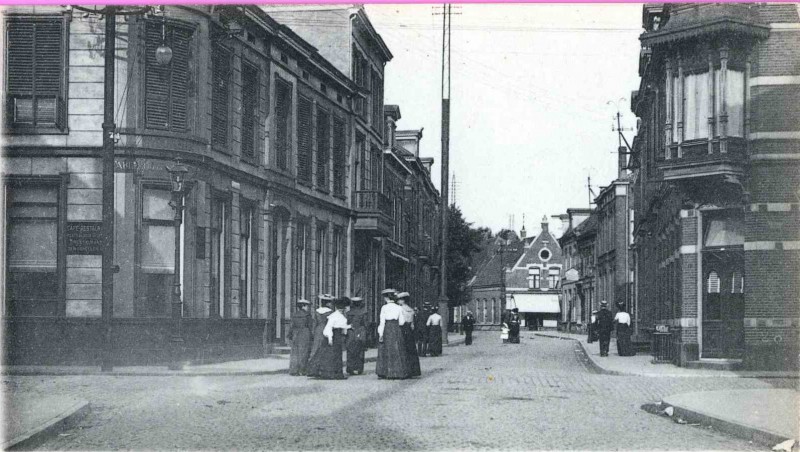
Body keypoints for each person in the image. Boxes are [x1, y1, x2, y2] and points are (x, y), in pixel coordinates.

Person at [375, 289, 410, 379]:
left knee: (386, 350)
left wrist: (380, 334)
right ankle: (398, 372)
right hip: (396, 329)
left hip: (387, 328)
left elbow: (382, 322)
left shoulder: (384, 308)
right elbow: (402, 322)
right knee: (397, 348)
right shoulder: (399, 307)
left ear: (386, 298)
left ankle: (386, 372)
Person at [314, 297, 351, 380]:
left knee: (337, 354)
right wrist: (330, 338)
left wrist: (349, 327)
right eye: (345, 307)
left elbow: (342, 326)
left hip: (339, 336)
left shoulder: (340, 315)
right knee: (332, 355)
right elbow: (329, 327)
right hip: (334, 336)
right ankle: (331, 373)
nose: (347, 309)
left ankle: (338, 373)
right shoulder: (334, 315)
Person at [307, 294, 334, 377]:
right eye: (329, 302)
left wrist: (313, 333)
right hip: (327, 330)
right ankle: (325, 370)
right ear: (327, 303)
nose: (330, 304)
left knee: (316, 349)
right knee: (327, 350)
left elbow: (314, 323)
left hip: (318, 331)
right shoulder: (330, 312)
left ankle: (313, 370)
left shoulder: (317, 311)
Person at [397, 292, 421, 377]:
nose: (398, 301)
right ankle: (413, 370)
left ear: (403, 300)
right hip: (409, 331)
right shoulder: (411, 310)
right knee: (411, 349)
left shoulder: (400, 309)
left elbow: (400, 321)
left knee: (402, 349)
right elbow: (412, 324)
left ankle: (404, 370)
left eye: (399, 299)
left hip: (402, 329)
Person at [288, 299, 313, 376]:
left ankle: (294, 370)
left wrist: (290, 335)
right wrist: (312, 336)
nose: (307, 308)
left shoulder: (294, 315)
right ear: (303, 306)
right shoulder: (307, 315)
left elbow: (291, 326)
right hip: (305, 333)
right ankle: (303, 370)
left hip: (296, 333)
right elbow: (310, 326)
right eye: (306, 306)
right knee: (304, 352)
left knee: (295, 352)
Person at [345, 296, 368, 375]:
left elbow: (347, 323)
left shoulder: (349, 313)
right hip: (360, 331)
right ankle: (359, 368)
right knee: (360, 350)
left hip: (351, 332)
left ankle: (350, 368)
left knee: (350, 349)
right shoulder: (363, 312)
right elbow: (365, 324)